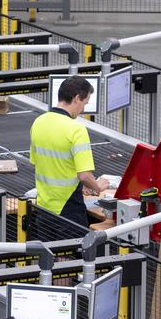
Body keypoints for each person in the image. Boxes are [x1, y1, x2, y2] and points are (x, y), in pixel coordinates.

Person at [29, 76, 109, 235]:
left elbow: (40, 161)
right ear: (77, 98)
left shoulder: (38, 122)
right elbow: (85, 175)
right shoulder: (76, 130)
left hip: (44, 207)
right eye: (85, 103)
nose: (84, 109)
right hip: (69, 208)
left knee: (49, 256)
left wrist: (82, 184)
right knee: (73, 256)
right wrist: (97, 186)